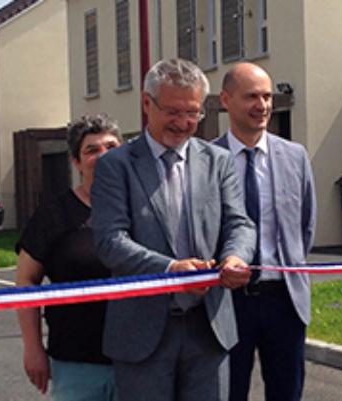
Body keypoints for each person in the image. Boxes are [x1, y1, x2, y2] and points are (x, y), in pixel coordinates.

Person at [90, 58, 256, 401]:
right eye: (173, 112)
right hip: (142, 332)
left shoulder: (218, 160)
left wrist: (236, 257)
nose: (182, 123)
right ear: (146, 103)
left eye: (192, 113)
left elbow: (239, 223)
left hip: (208, 328)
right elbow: (110, 241)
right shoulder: (114, 166)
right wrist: (170, 270)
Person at [213, 62, 316, 401]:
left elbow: (305, 226)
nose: (262, 105)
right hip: (228, 301)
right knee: (228, 393)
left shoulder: (295, 156)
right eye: (251, 97)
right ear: (226, 100)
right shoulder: (206, 160)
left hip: (284, 298)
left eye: (267, 97)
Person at [15, 114, 122, 400]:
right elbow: (26, 281)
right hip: (76, 364)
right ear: (76, 161)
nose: (103, 155)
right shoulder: (54, 214)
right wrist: (32, 347)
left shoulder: (141, 207)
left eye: (111, 147)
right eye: (92, 150)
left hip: (137, 359)